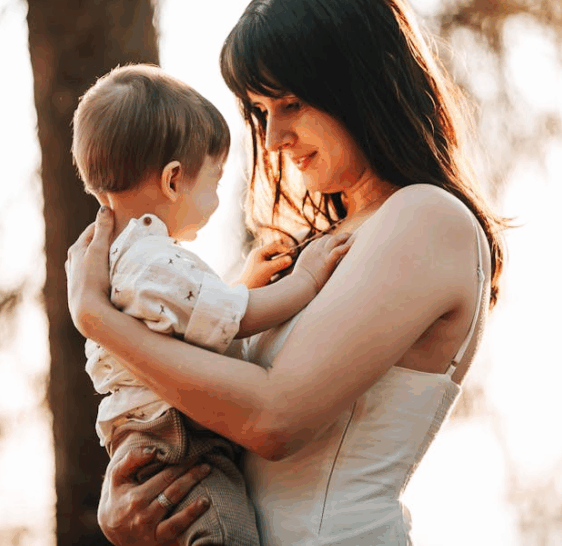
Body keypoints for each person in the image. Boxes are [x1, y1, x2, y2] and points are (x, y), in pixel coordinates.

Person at [65, 0, 507, 546]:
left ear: (359, 83)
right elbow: (201, 394)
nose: (272, 139)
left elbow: (271, 420)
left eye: (292, 103)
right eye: (261, 111)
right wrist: (135, 497)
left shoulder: (427, 217)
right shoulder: (315, 247)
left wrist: (97, 319)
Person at [70, 63, 352, 546]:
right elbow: (233, 320)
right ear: (174, 180)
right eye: (215, 181)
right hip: (179, 440)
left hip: (148, 434)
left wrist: (242, 281)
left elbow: (183, 322)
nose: (219, 198)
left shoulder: (120, 259)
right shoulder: (152, 258)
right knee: (225, 532)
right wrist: (303, 280)